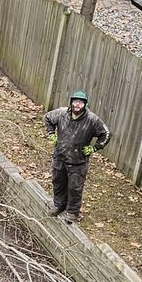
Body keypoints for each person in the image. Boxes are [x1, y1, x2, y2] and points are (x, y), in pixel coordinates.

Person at [44, 90, 110, 222]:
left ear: (85, 104)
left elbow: (106, 134)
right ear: (71, 102)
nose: (77, 105)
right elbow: (47, 118)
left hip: (78, 161)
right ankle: (58, 205)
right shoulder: (61, 113)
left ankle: (72, 212)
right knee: (58, 182)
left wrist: (94, 148)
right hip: (60, 156)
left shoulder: (92, 120)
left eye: (80, 102)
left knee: (75, 187)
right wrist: (51, 133)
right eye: (75, 102)